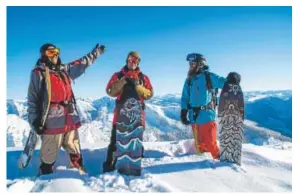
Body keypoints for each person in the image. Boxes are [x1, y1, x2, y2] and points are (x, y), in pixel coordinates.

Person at [27, 43, 105, 175]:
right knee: (50, 150)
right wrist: (34, 121)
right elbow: (33, 99)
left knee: (73, 145)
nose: (55, 55)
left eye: (56, 51)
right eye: (50, 52)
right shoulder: (38, 73)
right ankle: (45, 175)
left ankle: (79, 171)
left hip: (69, 115)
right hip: (52, 119)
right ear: (44, 55)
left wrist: (95, 53)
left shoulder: (64, 69)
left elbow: (81, 63)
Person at [180, 53, 240, 160]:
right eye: (189, 63)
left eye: (192, 63)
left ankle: (223, 162)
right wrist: (184, 111)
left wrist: (233, 79)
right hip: (194, 117)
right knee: (199, 145)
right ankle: (204, 163)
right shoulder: (189, 80)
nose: (190, 65)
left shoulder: (209, 77)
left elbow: (223, 83)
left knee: (210, 144)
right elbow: (185, 97)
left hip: (207, 116)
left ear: (200, 64)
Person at [103, 51, 153, 173]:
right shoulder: (118, 75)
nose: (132, 62)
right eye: (130, 59)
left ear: (138, 62)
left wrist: (138, 86)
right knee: (115, 143)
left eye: (135, 60)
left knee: (136, 142)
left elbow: (149, 94)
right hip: (120, 117)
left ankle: (135, 166)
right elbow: (110, 91)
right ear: (127, 60)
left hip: (138, 117)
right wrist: (124, 80)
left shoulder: (143, 78)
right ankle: (110, 168)